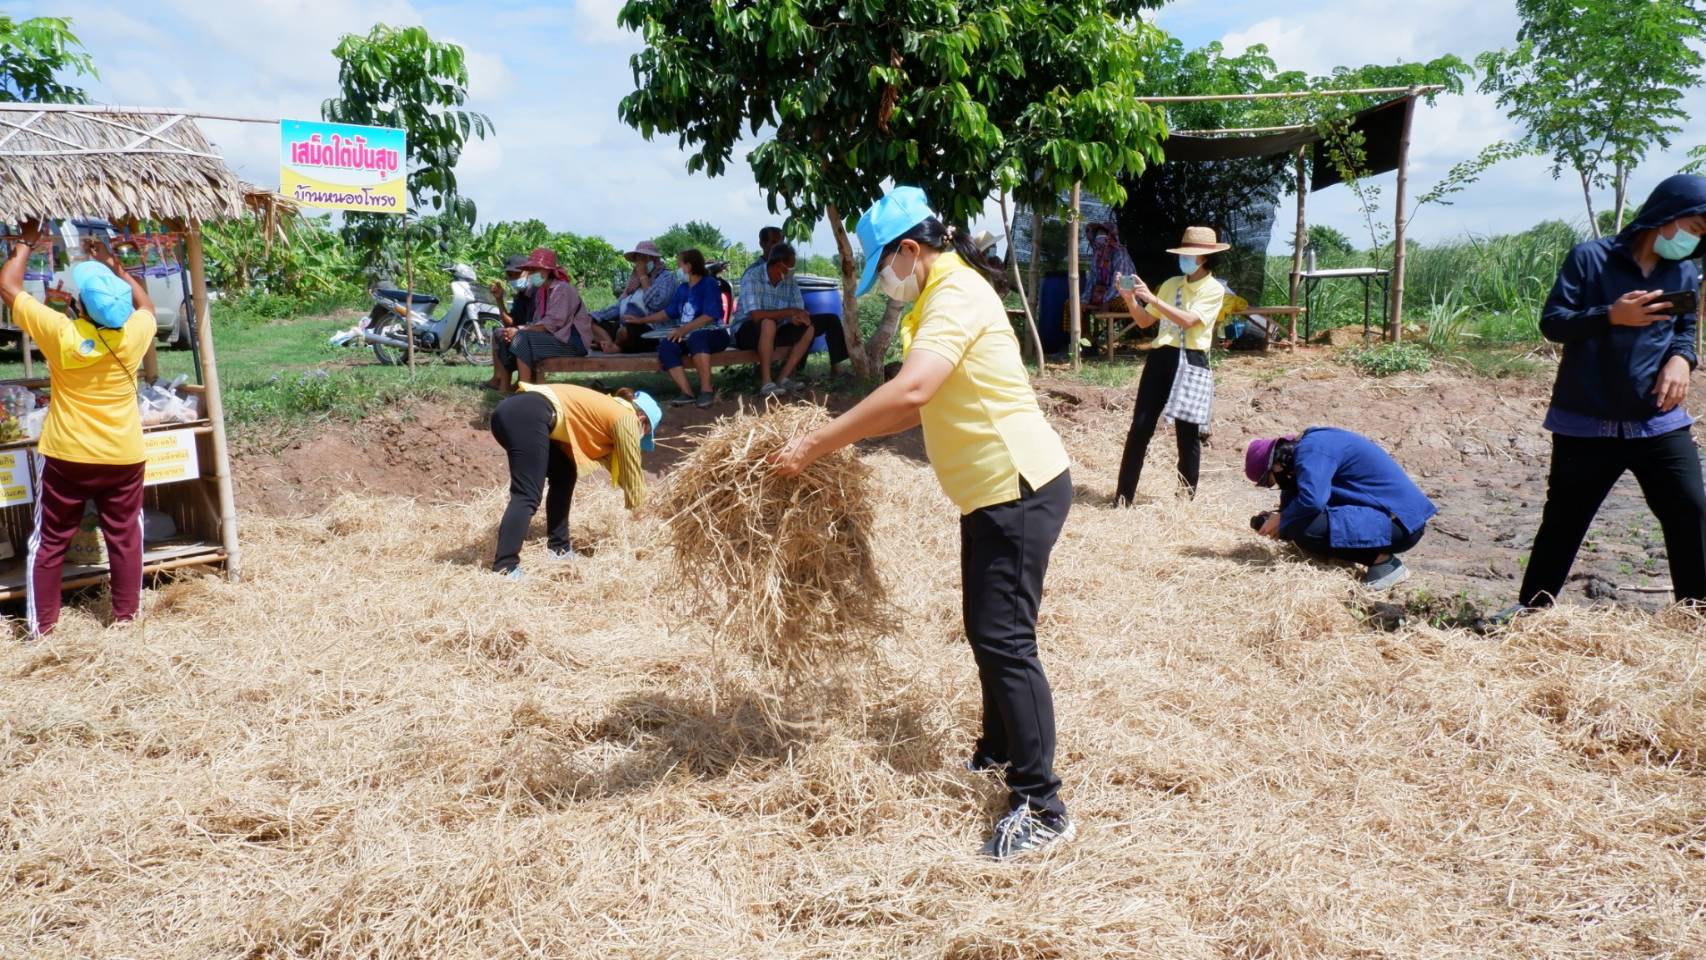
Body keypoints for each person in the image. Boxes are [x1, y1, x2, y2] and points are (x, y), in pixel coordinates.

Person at [770, 187, 1075, 860]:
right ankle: (998, 751)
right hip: (992, 492)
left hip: (1017, 486)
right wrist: (842, 440)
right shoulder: (938, 302)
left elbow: (909, 391)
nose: (885, 278)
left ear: (912, 249)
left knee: (1005, 638)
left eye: (885, 262)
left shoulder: (956, 296)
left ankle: (1041, 803)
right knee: (988, 630)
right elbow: (914, 407)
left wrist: (817, 442)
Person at [1511, 173, 1706, 612]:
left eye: (1701, 236)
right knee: (1564, 521)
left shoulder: (1684, 271)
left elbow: (1685, 331)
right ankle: (1532, 614)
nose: (1693, 241)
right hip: (1586, 420)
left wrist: (1682, 360)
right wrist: (1610, 315)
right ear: (1667, 215)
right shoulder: (1590, 259)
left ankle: (1698, 617)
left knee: (1691, 510)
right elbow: (1554, 322)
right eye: (1693, 228)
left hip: (1657, 419)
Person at [0, 222, 156, 636]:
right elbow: (148, 308)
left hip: (68, 456)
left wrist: (25, 243)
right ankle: (126, 621)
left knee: (49, 542)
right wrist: (116, 268)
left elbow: (9, 286)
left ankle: (44, 631)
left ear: (81, 306)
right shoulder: (134, 335)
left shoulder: (62, 334)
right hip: (124, 455)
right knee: (124, 539)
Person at [489, 383, 661, 579]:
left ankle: (559, 549)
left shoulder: (609, 410)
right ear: (642, 421)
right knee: (527, 494)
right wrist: (642, 509)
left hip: (518, 412)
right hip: (526, 415)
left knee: (564, 473)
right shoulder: (627, 419)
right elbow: (631, 470)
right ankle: (505, 567)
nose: (641, 439)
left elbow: (621, 470)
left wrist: (638, 498)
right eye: (645, 435)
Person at [1112, 226, 1228, 503]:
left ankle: (1184, 500)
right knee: (1140, 428)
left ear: (1204, 258)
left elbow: (1189, 320)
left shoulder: (1213, 289)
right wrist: (1130, 298)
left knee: (1187, 434)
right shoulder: (1171, 284)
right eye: (1183, 254)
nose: (1185, 259)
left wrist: (1151, 299)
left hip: (1191, 359)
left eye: (1190, 255)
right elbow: (1144, 321)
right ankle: (1123, 497)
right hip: (1161, 356)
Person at [1245, 429, 1437, 589]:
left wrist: (1283, 520)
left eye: (1269, 482)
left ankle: (1384, 563)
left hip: (1401, 523)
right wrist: (1278, 518)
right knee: (1293, 523)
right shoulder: (1305, 451)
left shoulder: (1313, 449)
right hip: (1391, 518)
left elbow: (1312, 501)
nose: (1274, 486)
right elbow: (1296, 498)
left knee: (1300, 526)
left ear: (1277, 467)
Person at [507, 247, 613, 389]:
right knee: (504, 336)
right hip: (557, 338)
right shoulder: (541, 291)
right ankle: (505, 384)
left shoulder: (562, 289)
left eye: (536, 270)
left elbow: (552, 323)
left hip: (574, 342)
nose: (532, 274)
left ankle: (525, 389)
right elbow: (539, 322)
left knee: (521, 339)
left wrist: (520, 330)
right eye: (531, 270)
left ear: (548, 271)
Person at [733, 242, 818, 398]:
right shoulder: (752, 277)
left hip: (776, 328)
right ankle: (766, 382)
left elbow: (798, 308)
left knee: (809, 328)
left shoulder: (789, 281)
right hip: (746, 332)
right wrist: (790, 312)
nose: (793, 269)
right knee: (767, 323)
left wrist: (797, 317)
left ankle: (782, 379)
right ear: (779, 265)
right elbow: (756, 316)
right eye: (791, 266)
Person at [649, 248, 729, 408]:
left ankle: (706, 390)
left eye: (679, 265)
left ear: (689, 266)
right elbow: (668, 313)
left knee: (697, 338)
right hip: (688, 335)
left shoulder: (709, 284)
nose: (678, 269)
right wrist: (640, 320)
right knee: (667, 346)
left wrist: (684, 330)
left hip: (715, 334)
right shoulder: (682, 288)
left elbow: (710, 315)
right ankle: (687, 393)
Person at [596, 240, 679, 352]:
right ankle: (612, 344)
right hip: (625, 324)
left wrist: (643, 277)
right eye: (638, 259)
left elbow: (656, 305)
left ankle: (615, 346)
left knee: (624, 332)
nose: (640, 263)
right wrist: (595, 316)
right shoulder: (634, 281)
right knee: (589, 323)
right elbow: (619, 307)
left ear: (653, 259)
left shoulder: (666, 278)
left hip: (651, 329)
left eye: (644, 258)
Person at [486, 253, 533, 392]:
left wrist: (518, 330)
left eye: (516, 274)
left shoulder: (535, 293)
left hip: (533, 333)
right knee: (499, 332)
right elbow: (510, 322)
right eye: (509, 275)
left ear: (529, 272)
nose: (512, 278)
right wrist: (499, 300)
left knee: (505, 335)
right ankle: (499, 379)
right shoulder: (520, 295)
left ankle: (506, 384)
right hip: (524, 332)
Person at [1080, 221, 1135, 314]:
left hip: (1125, 296)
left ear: (1110, 236)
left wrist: (1106, 301)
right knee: (1073, 306)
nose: (1099, 237)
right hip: (1102, 296)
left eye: (1103, 234)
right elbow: (1091, 280)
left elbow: (1123, 283)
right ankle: (1077, 328)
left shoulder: (1120, 254)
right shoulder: (1097, 256)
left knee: (1118, 304)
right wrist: (1084, 300)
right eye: (1098, 234)